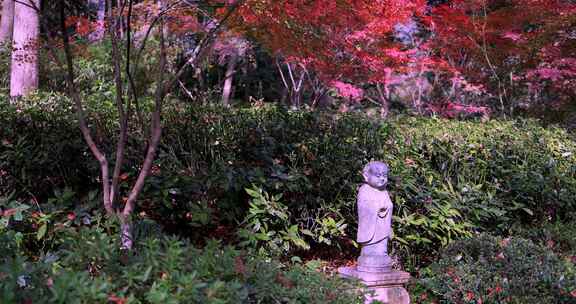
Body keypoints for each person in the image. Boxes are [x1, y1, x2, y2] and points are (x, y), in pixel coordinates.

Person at [356, 161, 393, 271]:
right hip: (370, 227)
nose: (382, 179)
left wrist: (387, 207)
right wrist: (377, 207)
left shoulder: (384, 192)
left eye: (384, 176)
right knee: (370, 251)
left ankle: (381, 253)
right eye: (378, 175)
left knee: (381, 249)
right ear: (367, 176)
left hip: (382, 224)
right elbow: (364, 207)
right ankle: (368, 254)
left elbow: (389, 205)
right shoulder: (364, 190)